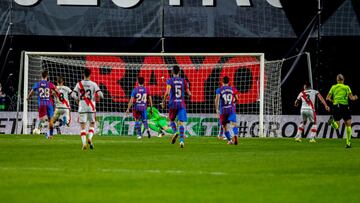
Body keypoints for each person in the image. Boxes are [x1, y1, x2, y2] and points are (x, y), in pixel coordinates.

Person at [72, 68, 103, 150]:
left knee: (83, 126)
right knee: (92, 123)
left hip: (82, 107)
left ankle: (84, 144)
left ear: (83, 74)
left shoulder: (79, 84)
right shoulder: (93, 84)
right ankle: (90, 138)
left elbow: (72, 95)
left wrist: (78, 99)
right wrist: (97, 97)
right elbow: (101, 95)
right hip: (91, 107)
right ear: (90, 74)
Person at [161, 65, 192, 148]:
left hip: (172, 104)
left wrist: (163, 101)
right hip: (181, 104)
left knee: (171, 120)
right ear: (179, 72)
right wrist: (189, 95)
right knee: (181, 123)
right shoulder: (183, 81)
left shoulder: (170, 81)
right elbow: (189, 93)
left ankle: (175, 132)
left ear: (172, 72)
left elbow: (167, 93)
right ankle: (181, 141)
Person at [326, 74, 358, 148]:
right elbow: (352, 98)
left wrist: (333, 100)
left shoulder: (333, 87)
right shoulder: (346, 87)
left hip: (336, 106)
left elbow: (327, 98)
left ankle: (332, 122)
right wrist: (356, 97)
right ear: (343, 80)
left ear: (337, 80)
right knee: (348, 124)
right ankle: (348, 143)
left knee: (337, 126)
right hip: (345, 107)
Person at [27, 70, 60, 139]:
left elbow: (31, 92)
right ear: (47, 76)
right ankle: (50, 135)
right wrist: (54, 94)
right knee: (51, 120)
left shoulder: (37, 84)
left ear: (41, 76)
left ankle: (39, 129)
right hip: (49, 103)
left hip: (41, 103)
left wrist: (28, 97)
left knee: (42, 119)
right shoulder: (50, 84)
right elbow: (58, 91)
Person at [215, 76, 239, 145]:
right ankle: (235, 135)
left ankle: (230, 140)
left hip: (223, 110)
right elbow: (237, 99)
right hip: (231, 108)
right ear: (229, 82)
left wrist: (217, 109)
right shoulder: (232, 89)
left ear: (222, 82)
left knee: (224, 126)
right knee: (233, 124)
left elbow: (217, 100)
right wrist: (233, 102)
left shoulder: (219, 89)